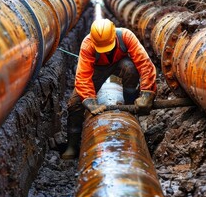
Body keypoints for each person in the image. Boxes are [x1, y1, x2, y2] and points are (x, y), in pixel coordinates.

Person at [61, 18, 157, 159]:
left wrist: (147, 94)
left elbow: (144, 64)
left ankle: (130, 107)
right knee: (75, 104)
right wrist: (90, 102)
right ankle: (72, 145)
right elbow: (83, 76)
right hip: (97, 70)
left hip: (120, 65)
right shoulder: (88, 44)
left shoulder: (126, 36)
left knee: (130, 68)